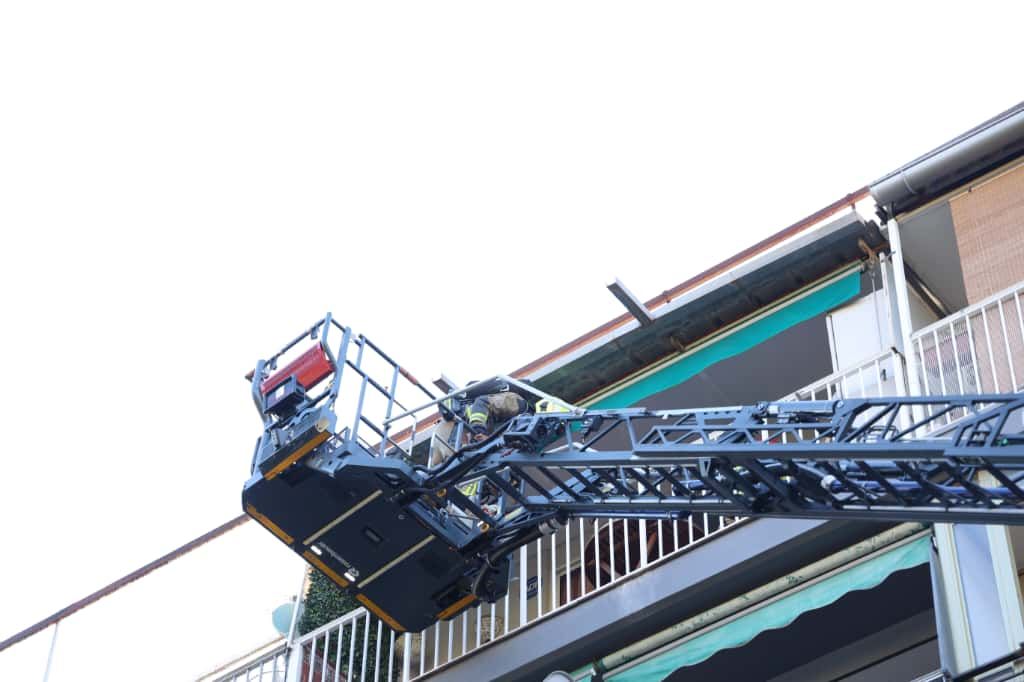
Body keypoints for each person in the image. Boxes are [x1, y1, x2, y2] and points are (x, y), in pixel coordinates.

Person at [429, 386, 529, 467]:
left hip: (516, 402)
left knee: (481, 405)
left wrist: (479, 432)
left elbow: (483, 404)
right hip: (515, 429)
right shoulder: (456, 423)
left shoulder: (478, 404)